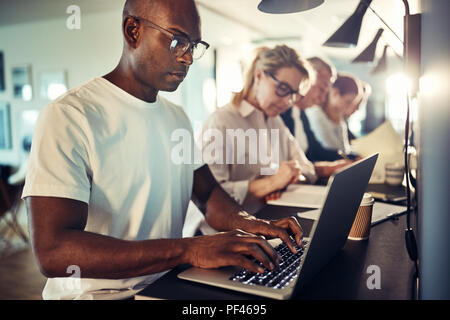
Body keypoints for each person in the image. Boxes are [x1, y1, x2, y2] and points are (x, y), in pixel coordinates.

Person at [22, 0, 303, 300]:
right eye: (177, 40)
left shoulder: (176, 117)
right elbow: (54, 251)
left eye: (194, 45)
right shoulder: (70, 116)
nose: (188, 58)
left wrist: (254, 224)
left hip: (165, 284)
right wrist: (189, 250)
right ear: (133, 31)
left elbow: (208, 196)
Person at [197, 46, 351, 217]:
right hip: (230, 233)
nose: (288, 102)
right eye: (283, 89)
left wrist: (285, 178)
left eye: (293, 94)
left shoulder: (274, 120)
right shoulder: (221, 122)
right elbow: (210, 198)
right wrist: (270, 183)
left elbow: (305, 167)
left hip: (270, 217)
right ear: (259, 76)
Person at [281, 57, 355, 162]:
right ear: (306, 78)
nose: (322, 99)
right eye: (321, 89)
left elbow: (316, 151)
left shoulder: (301, 113)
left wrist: (351, 159)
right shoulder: (280, 113)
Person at [306, 73, 360, 155]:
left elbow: (344, 149)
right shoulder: (316, 114)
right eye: (348, 102)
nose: (350, 107)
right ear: (335, 93)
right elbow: (332, 148)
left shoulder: (339, 117)